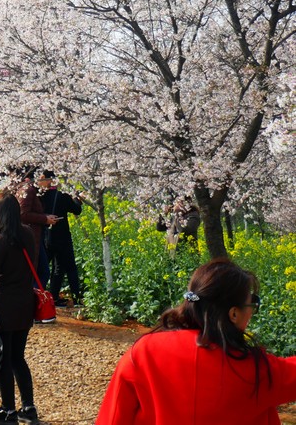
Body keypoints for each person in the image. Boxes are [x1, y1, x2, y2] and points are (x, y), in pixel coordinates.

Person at [97, 259, 296, 424]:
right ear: (233, 313)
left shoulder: (143, 351)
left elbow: (113, 418)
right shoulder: (255, 368)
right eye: (253, 302)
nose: (253, 310)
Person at [0, 193, 39, 424]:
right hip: (24, 305)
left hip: (3, 306)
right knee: (18, 358)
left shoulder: (1, 240)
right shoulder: (27, 234)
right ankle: (28, 408)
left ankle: (8, 411)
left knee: (3, 357)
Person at [38, 171, 84, 306]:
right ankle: (76, 298)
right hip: (62, 235)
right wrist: (78, 199)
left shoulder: (40, 195)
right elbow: (76, 210)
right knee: (68, 267)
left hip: (46, 235)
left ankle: (49, 297)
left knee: (45, 266)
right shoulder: (62, 195)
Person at [16, 166, 58, 288]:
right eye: (50, 181)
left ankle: (33, 300)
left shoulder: (31, 189)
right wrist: (44, 219)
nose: (50, 185)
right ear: (42, 177)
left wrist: (46, 217)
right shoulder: (29, 190)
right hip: (30, 237)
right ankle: (34, 301)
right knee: (41, 273)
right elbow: (22, 214)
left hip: (34, 236)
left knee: (41, 272)